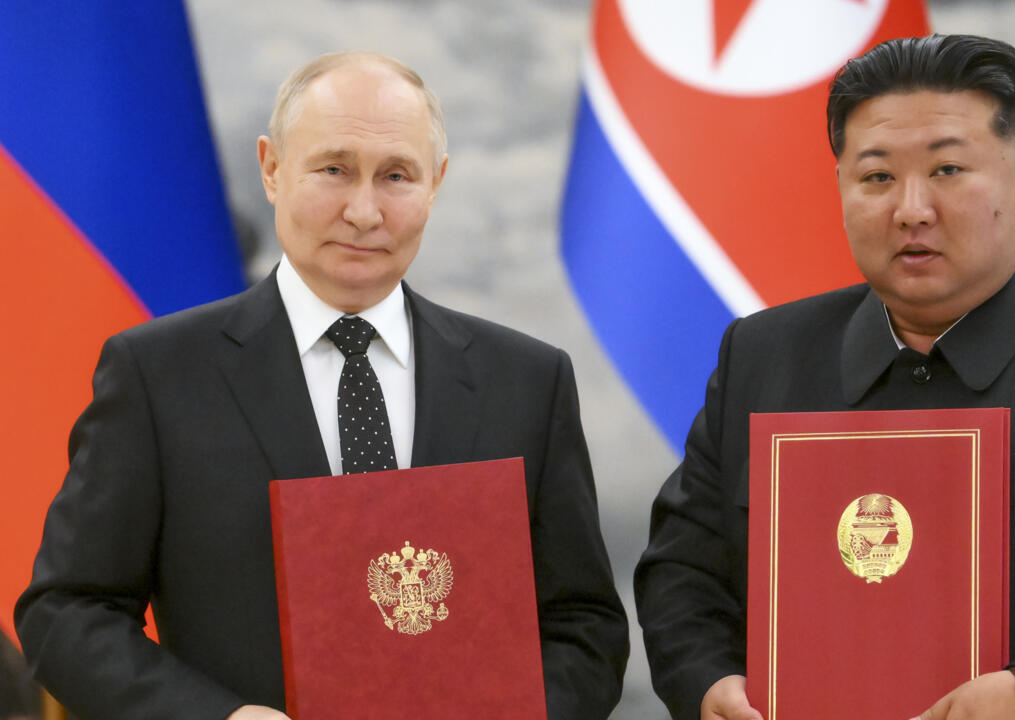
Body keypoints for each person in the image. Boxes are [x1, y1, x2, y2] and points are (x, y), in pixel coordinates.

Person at [633, 34, 1015, 720]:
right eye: (877, 177)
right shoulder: (762, 354)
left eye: (948, 170)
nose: (911, 208)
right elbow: (682, 569)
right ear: (841, 188)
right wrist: (707, 682)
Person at [15, 51, 628, 720]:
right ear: (272, 168)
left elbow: (584, 627)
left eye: (396, 176)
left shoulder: (528, 382)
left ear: (436, 184)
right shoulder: (158, 375)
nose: (364, 211)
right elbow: (66, 611)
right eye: (334, 169)